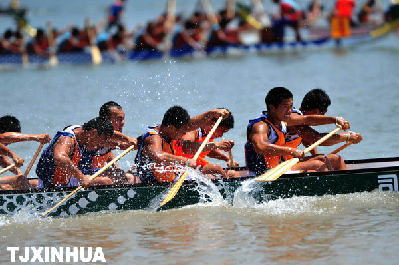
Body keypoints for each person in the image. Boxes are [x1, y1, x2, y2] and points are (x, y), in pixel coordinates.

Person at [245, 87, 352, 175]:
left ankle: (345, 187)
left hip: (280, 166)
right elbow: (261, 147)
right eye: (286, 107)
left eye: (291, 106)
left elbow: (306, 119)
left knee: (331, 159)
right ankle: (330, 191)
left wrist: (335, 120)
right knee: (318, 165)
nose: (290, 110)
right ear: (272, 108)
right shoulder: (260, 126)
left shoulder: (283, 121)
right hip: (263, 173)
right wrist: (291, 151)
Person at [134, 106, 230, 184]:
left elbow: (192, 124)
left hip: (169, 176)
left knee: (214, 171)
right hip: (151, 182)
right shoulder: (154, 137)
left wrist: (212, 113)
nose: (185, 134)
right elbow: (158, 156)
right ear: (171, 128)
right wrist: (186, 161)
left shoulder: (168, 130)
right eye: (183, 131)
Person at [36, 117, 137, 188]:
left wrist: (128, 139)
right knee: (105, 181)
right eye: (102, 140)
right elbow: (59, 157)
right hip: (52, 182)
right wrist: (81, 177)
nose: (102, 144)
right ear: (93, 133)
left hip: (69, 177)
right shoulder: (67, 138)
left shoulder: (85, 130)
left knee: (117, 175)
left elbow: (112, 133)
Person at [286, 88, 363, 167]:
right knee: (328, 159)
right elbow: (317, 139)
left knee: (334, 159)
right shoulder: (293, 118)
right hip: (282, 165)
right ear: (316, 112)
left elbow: (310, 142)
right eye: (323, 114)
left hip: (289, 160)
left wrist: (316, 155)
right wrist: (347, 136)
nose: (322, 117)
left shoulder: (302, 125)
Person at [173, 110, 239, 178]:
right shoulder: (193, 131)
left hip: (194, 165)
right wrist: (216, 145)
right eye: (221, 131)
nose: (221, 135)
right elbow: (186, 147)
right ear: (211, 124)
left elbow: (208, 150)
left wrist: (227, 159)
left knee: (233, 174)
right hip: (180, 165)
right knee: (217, 169)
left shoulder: (207, 135)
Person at [0, 115, 51, 190]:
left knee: (32, 182)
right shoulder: (2, 137)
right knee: (22, 183)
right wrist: (36, 137)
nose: (10, 143)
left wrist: (19, 173)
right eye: (11, 140)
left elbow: (2, 161)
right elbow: (2, 137)